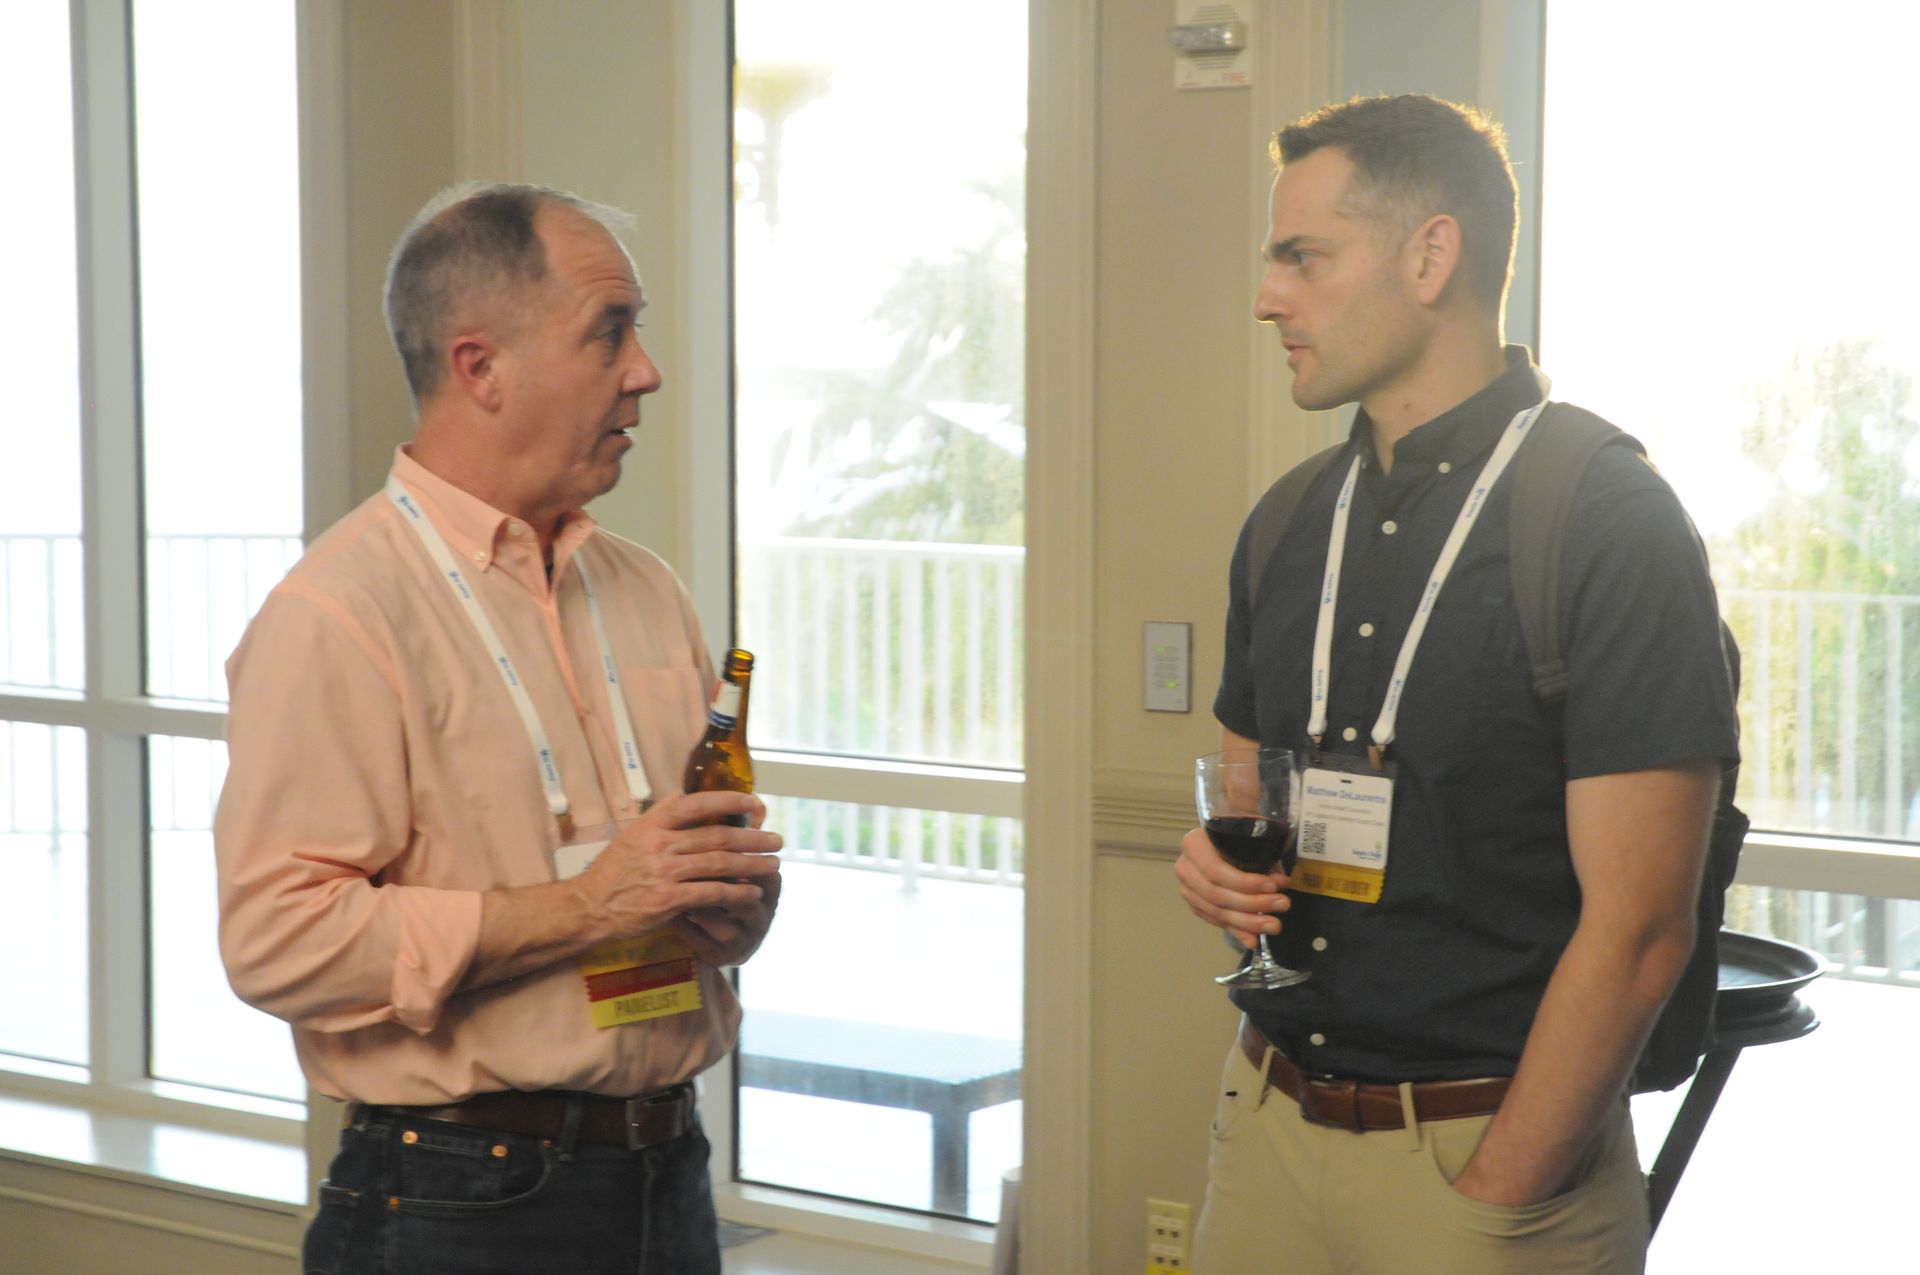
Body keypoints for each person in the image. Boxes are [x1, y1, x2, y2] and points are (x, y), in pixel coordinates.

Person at [1174, 95, 1738, 1273]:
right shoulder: (1286, 524)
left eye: (1302, 257)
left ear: (1432, 255)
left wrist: (1497, 1194)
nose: (1267, 297)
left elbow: (1642, 931)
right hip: (1267, 1134)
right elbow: (1246, 792)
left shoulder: (1606, 521)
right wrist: (1214, 872)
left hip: (1491, 1173)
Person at [214, 182, 783, 1275]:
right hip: (455, 1203)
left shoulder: (646, 589)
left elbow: (671, 878)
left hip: (668, 1177)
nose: (646, 371)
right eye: (610, 331)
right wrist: (583, 906)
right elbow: (275, 939)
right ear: (482, 368)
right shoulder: (338, 613)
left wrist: (727, 909)